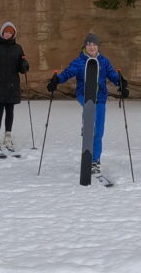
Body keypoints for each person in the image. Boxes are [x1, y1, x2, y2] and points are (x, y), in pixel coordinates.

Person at [46, 33, 128, 175]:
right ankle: (87, 126)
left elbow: (112, 74)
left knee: (99, 131)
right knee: (92, 124)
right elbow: (67, 73)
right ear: (85, 46)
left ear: (98, 46)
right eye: (89, 44)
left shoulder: (103, 61)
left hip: (100, 98)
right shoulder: (79, 61)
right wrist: (56, 80)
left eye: (94, 44)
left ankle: (95, 160)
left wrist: (120, 82)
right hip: (84, 96)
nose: (91, 47)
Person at [0, 21, 29, 152]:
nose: (8, 34)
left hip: (12, 84)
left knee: (10, 111)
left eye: (10, 32)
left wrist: (25, 65)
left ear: (14, 34)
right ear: (2, 32)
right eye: (6, 31)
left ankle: (8, 136)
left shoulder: (18, 48)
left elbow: (21, 67)